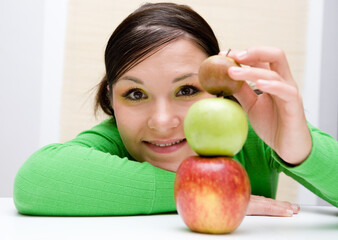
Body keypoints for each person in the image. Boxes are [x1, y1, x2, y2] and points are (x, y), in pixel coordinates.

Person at [14, 2, 337, 217]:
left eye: (187, 90)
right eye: (136, 94)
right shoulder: (115, 141)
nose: (163, 121)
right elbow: (35, 181)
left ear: (220, 90)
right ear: (112, 99)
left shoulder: (255, 136)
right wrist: (213, 196)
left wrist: (301, 152)